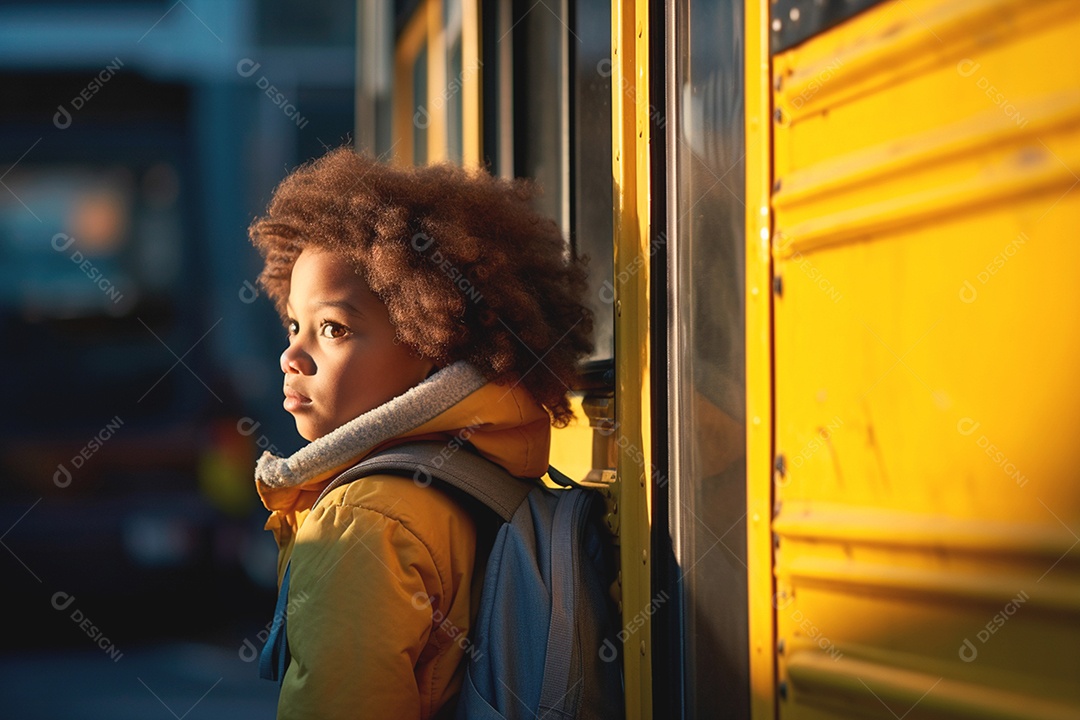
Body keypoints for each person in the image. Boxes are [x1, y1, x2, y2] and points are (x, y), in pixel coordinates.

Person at [247, 146, 593, 719]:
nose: (292, 356)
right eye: (294, 325)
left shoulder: (363, 522)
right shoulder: (479, 474)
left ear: (433, 340)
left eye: (332, 329)